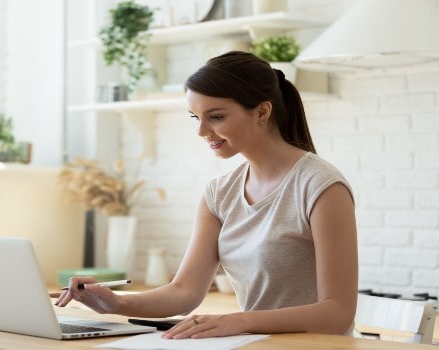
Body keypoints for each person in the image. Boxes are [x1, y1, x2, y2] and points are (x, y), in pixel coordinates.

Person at [55, 50, 358, 339]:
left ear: (262, 111)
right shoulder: (219, 193)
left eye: (215, 117)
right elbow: (184, 291)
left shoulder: (321, 186)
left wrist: (237, 321)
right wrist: (118, 303)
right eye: (195, 117)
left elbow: (337, 313)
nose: (202, 131)